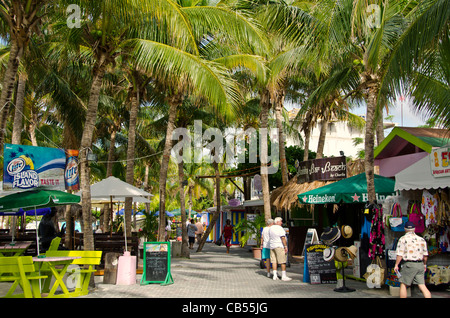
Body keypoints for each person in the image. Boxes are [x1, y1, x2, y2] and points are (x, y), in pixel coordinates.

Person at [394, 221, 431, 298]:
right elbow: (425, 255)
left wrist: (396, 264)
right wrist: (424, 264)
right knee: (422, 285)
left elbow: (400, 254)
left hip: (409, 265)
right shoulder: (421, 239)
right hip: (420, 264)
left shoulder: (403, 239)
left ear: (405, 229)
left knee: (403, 284)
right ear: (414, 229)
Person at [269, 217, 291, 281]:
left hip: (272, 245)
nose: (281, 222)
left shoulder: (271, 228)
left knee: (274, 261)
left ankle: (275, 275)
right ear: (277, 222)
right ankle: (284, 276)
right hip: (279, 245)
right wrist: (285, 246)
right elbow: (283, 238)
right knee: (282, 261)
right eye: (281, 221)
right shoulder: (280, 228)